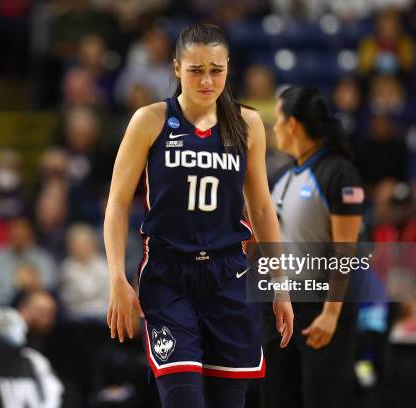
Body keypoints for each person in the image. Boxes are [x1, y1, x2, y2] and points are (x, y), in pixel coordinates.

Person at [104, 24, 293, 408]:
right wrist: (116, 278)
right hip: (169, 275)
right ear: (176, 68)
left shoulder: (248, 123)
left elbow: (260, 208)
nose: (206, 80)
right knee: (184, 399)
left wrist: (280, 282)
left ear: (228, 68)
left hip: (230, 276)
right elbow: (117, 204)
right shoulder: (151, 120)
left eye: (216, 69)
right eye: (195, 70)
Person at [263, 87, 364, 408]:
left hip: (320, 310)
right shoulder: (282, 174)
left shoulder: (338, 172)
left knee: (324, 399)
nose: (274, 127)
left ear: (292, 124)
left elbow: (345, 248)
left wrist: (331, 313)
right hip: (280, 310)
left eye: (277, 119)